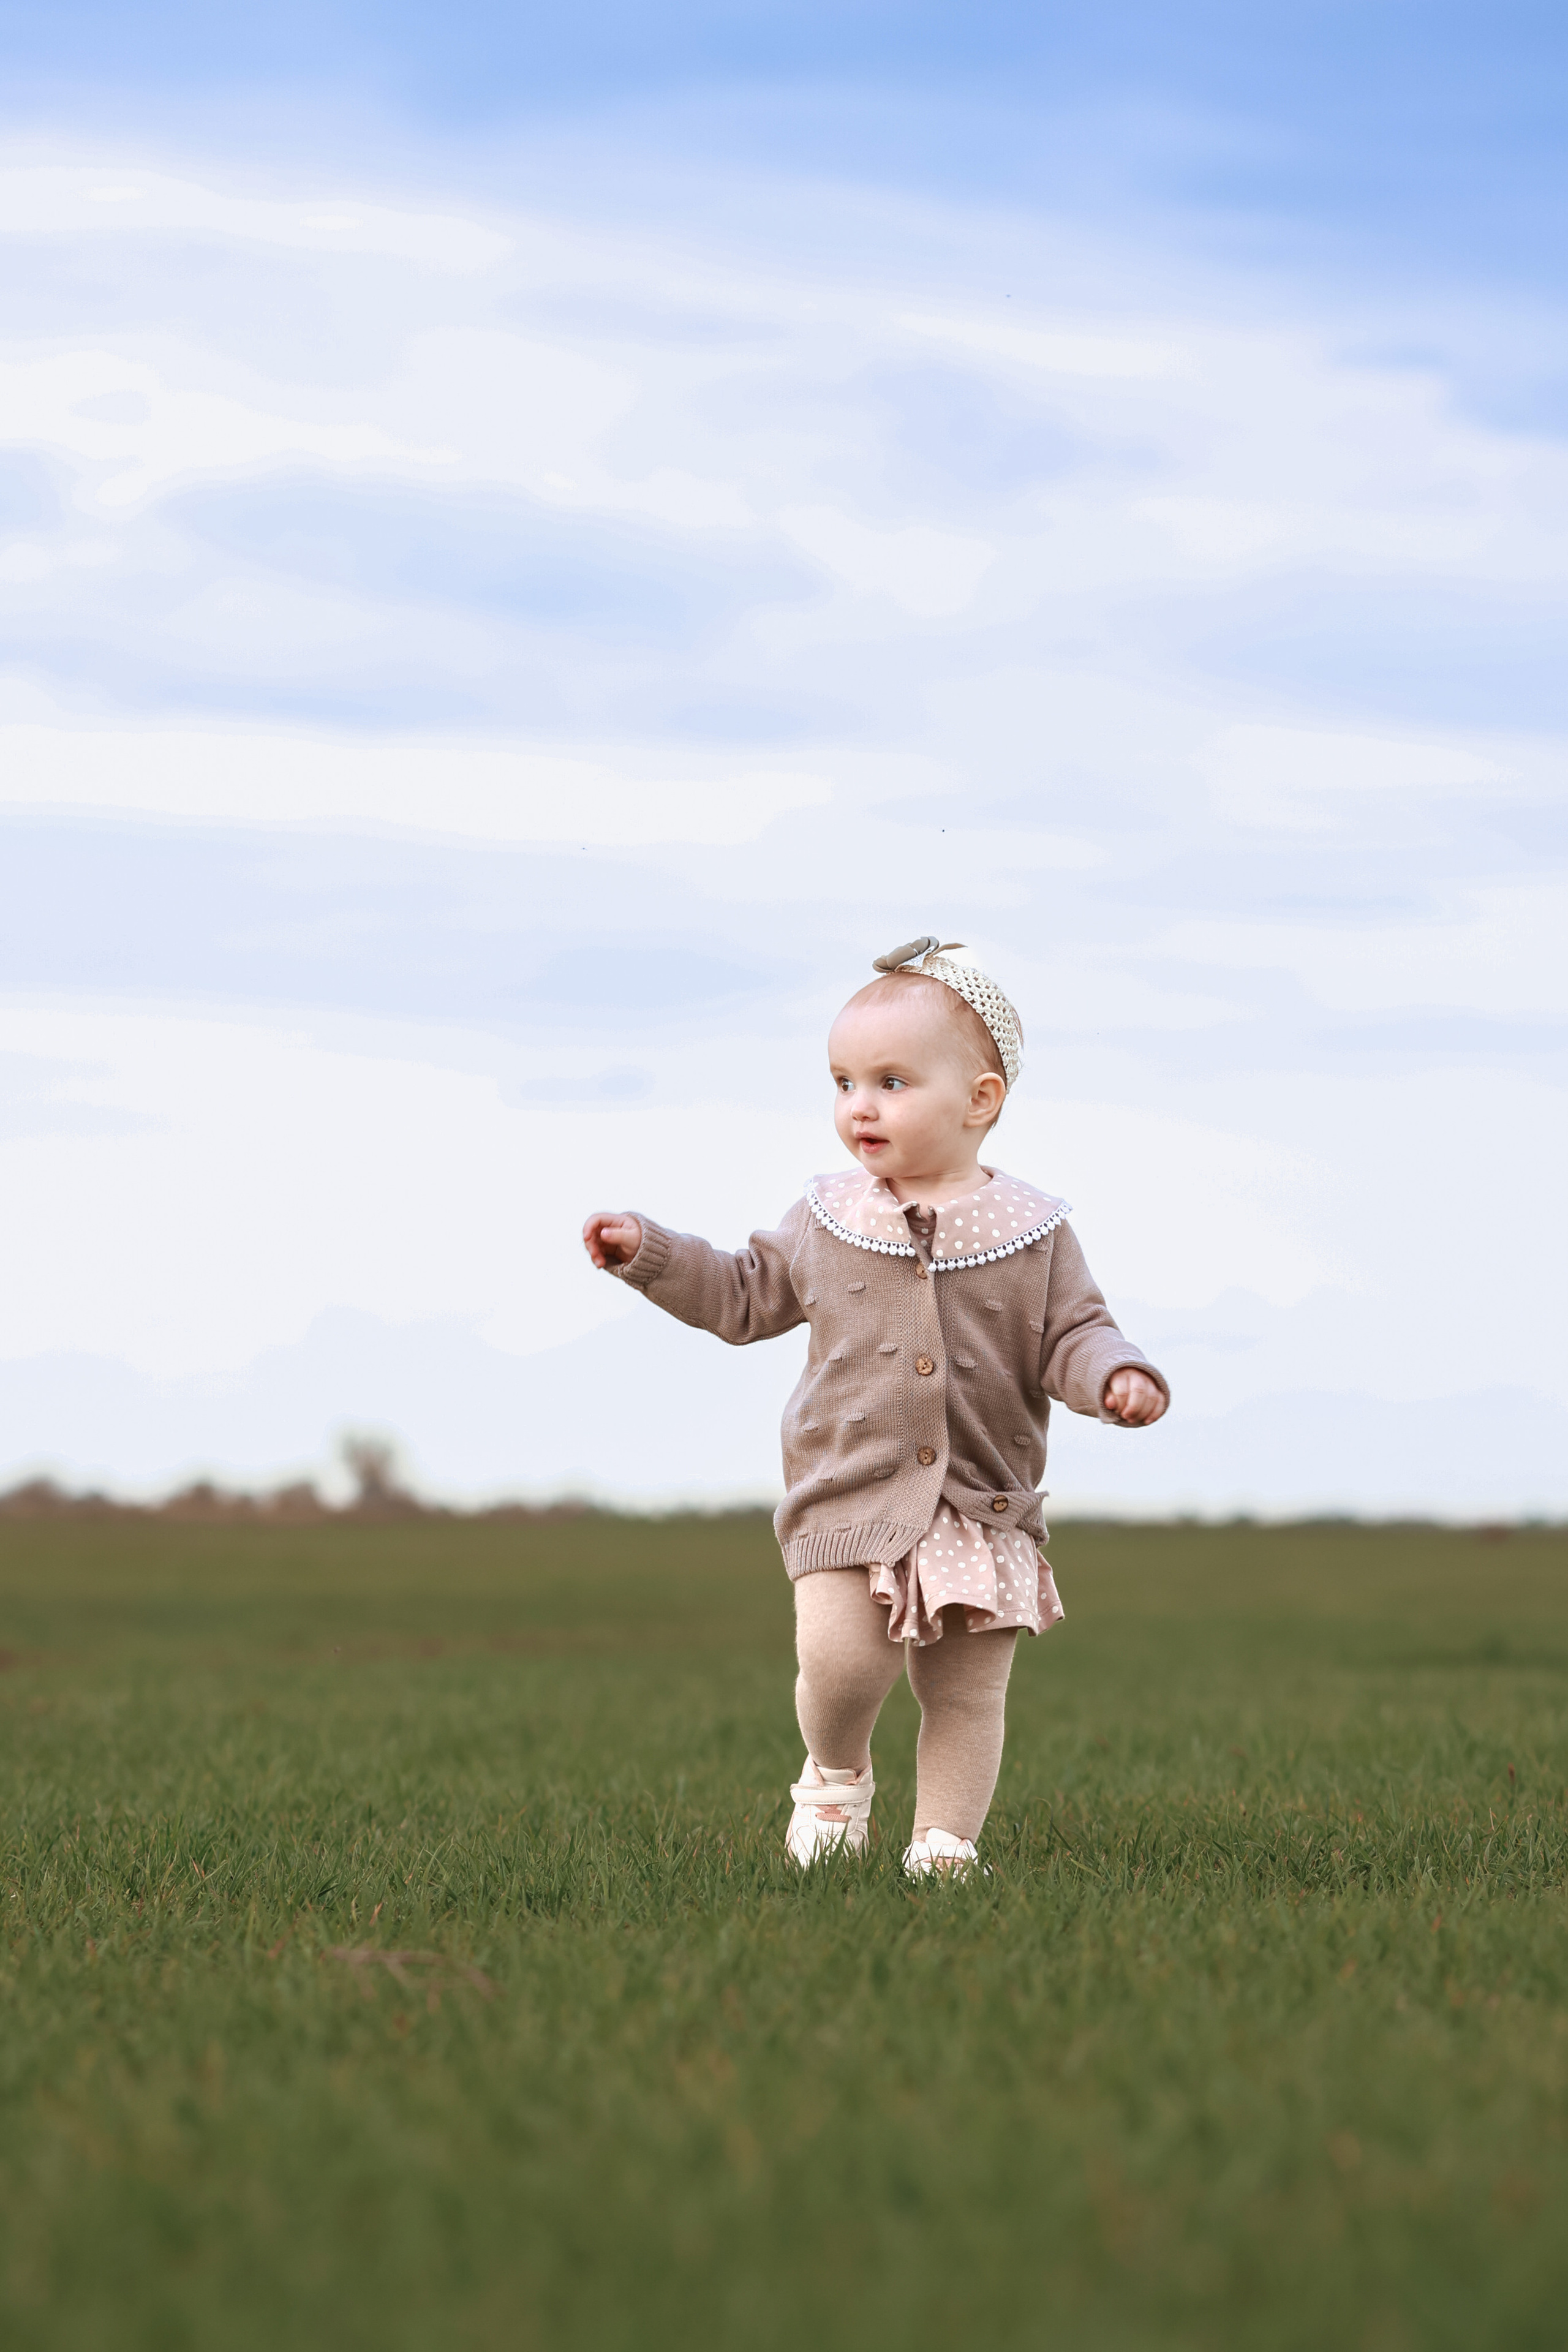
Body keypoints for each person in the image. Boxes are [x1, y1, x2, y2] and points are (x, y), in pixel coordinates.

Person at [582, 935, 1168, 1875]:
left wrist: (1113, 1377)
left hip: (982, 1504)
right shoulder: (827, 1218)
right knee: (844, 1665)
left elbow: (1072, 1333)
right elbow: (741, 1294)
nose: (861, 1104)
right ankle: (834, 1775)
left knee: (967, 1691)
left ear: (982, 1101)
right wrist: (650, 1253)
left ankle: (944, 1847)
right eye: (844, 1081)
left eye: (892, 1081)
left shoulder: (1033, 1234)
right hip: (847, 1492)